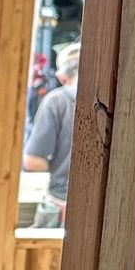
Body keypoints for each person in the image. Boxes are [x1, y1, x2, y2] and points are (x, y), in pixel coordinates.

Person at [23, 38, 80, 216]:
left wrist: (61, 166)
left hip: (64, 204)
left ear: (63, 77)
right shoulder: (116, 101)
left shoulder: (58, 100)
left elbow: (32, 161)